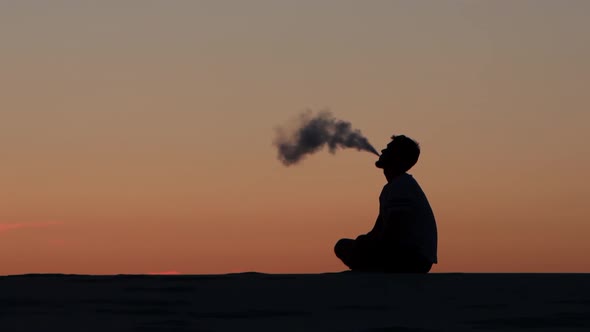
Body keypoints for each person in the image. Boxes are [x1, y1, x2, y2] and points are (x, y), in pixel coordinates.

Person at [334, 135, 438, 273]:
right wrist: (364, 241)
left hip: (412, 259)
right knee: (344, 246)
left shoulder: (401, 187)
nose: (382, 151)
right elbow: (379, 229)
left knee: (344, 247)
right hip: (410, 256)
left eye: (388, 150)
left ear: (398, 158)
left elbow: (394, 232)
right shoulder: (394, 187)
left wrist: (365, 246)